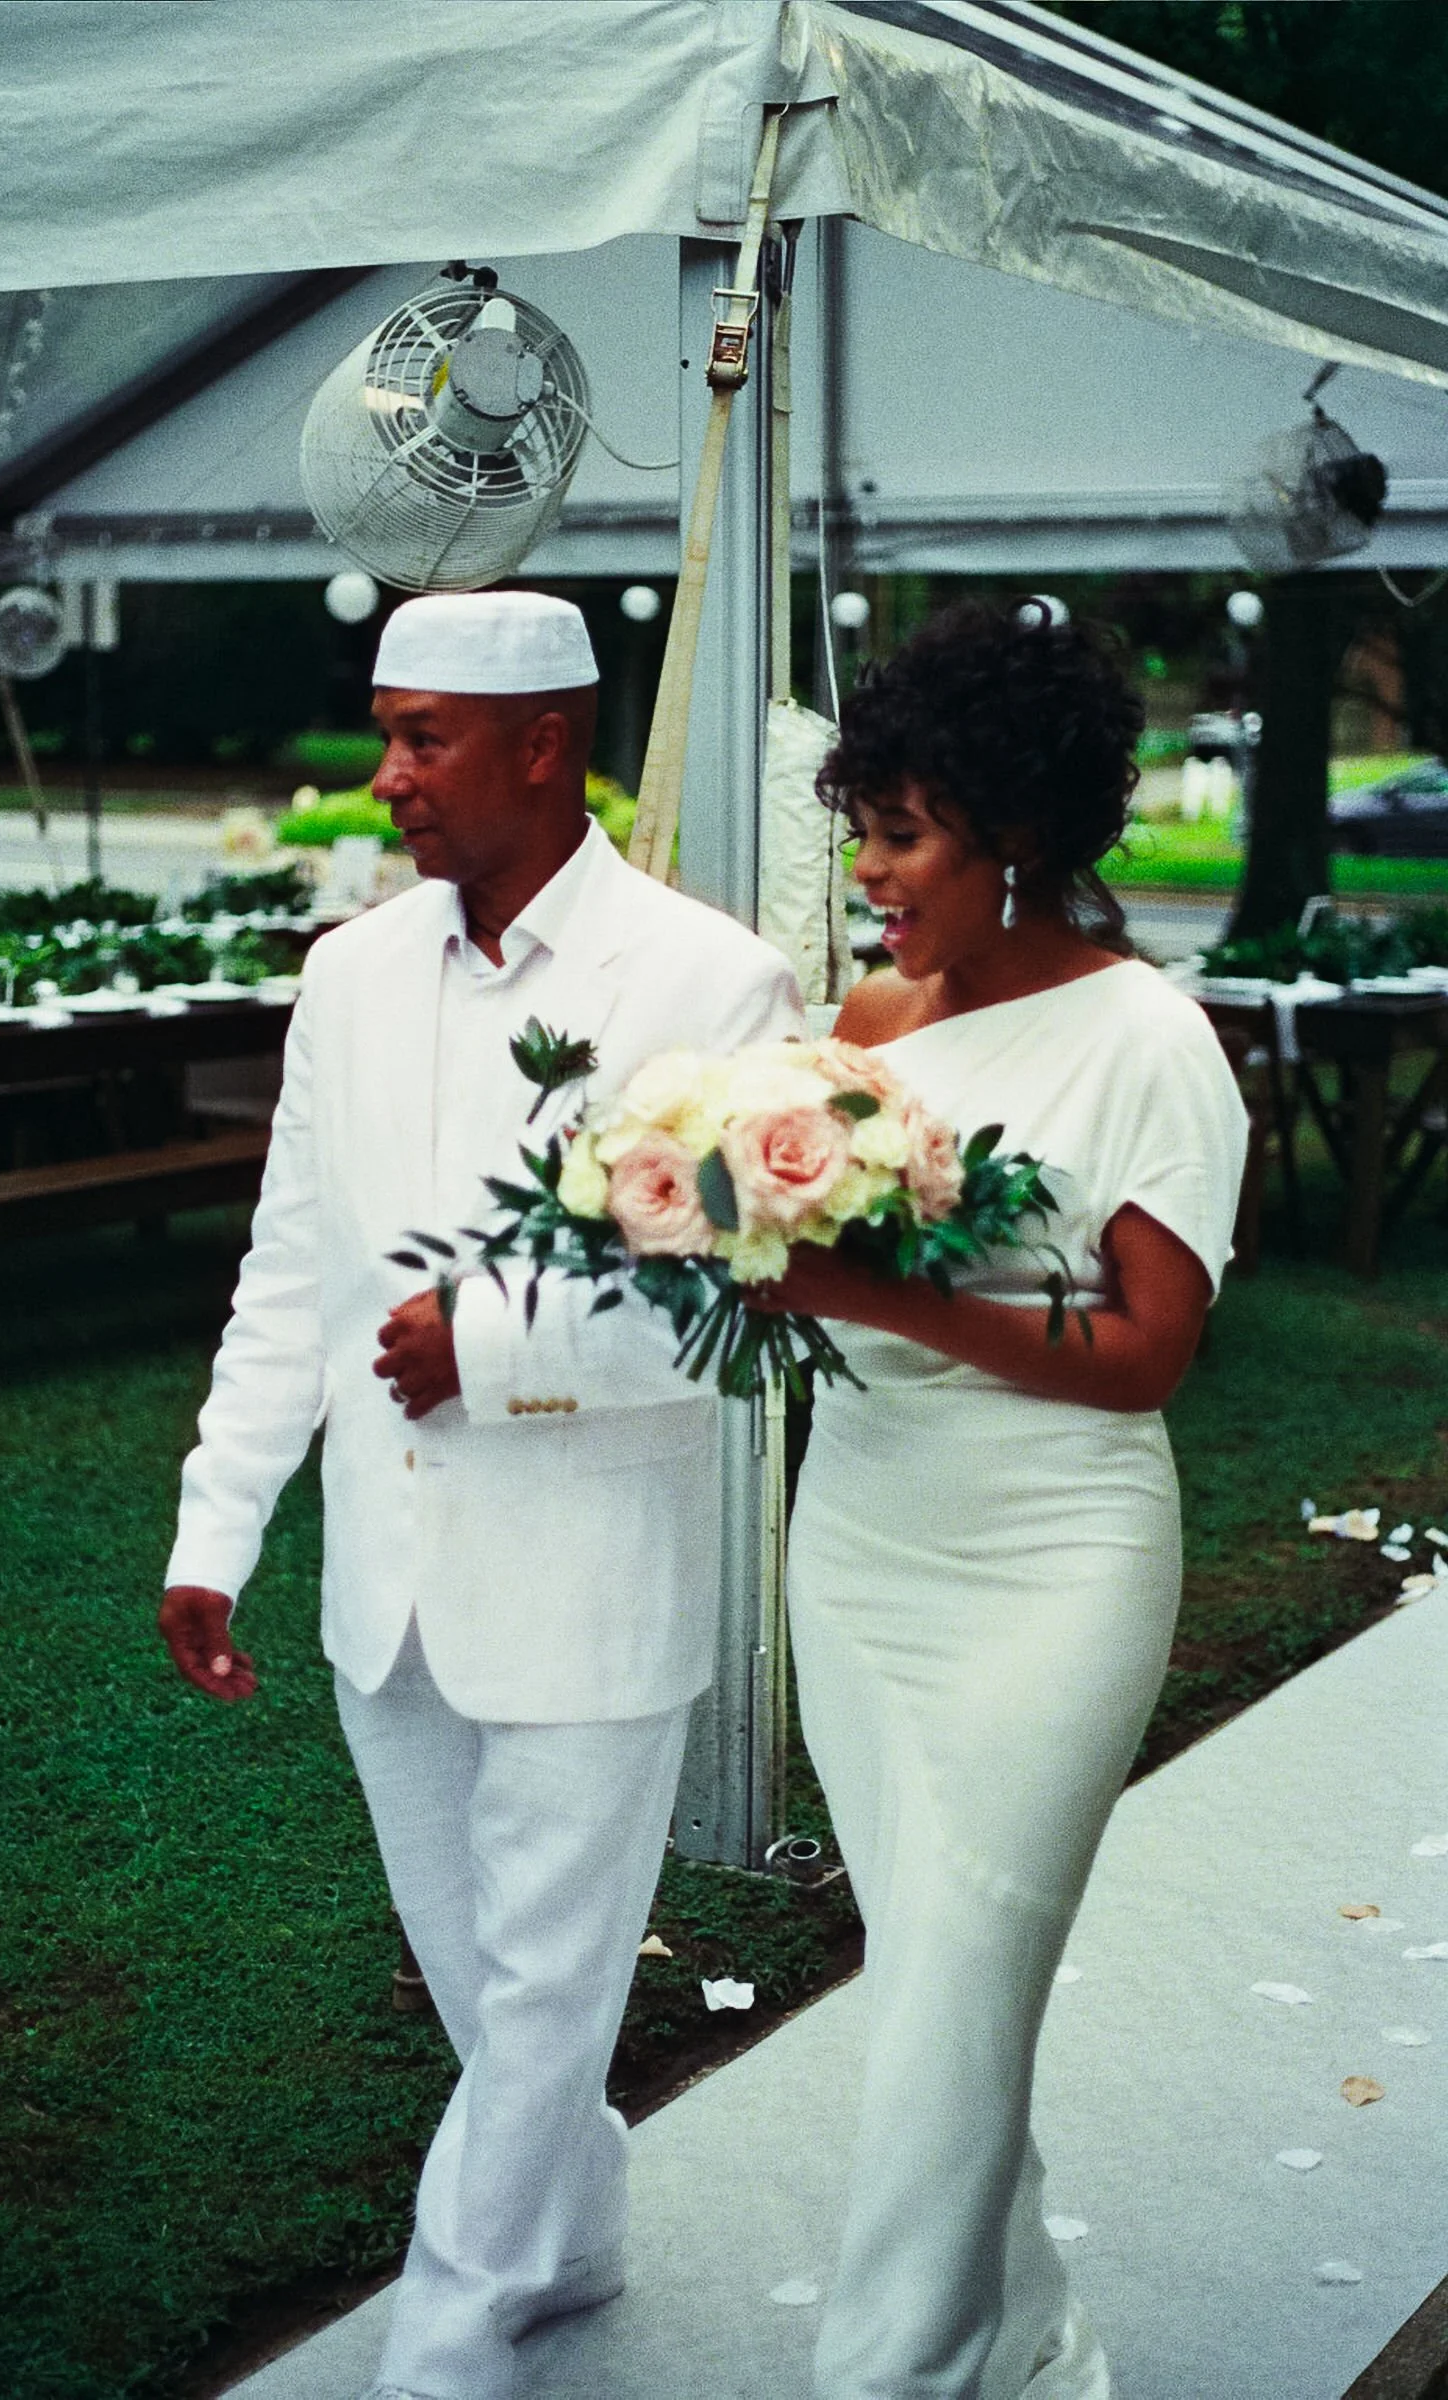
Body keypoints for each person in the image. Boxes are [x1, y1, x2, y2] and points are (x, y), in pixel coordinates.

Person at [158, 590, 802, 2400]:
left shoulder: (708, 981)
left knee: (538, 1998)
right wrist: (221, 1531)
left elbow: (729, 1298)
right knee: (490, 1992)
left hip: (594, 1578)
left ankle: (445, 2342)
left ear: (544, 744)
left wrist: (502, 1346)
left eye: (421, 737)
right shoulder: (348, 977)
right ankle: (575, 2226)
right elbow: (291, 1273)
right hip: (390, 1587)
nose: (387, 780)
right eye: (385, 732)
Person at [751, 600, 1248, 2400]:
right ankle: (1030, 2342)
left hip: (1055, 1566)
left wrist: (865, 1293)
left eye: (900, 836)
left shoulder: (1150, 1043)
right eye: (861, 832)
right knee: (941, 1995)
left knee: (956, 1987)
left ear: (1016, 835)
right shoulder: (867, 1025)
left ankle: (893, 2378)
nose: (869, 878)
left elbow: (1143, 1352)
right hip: (866, 1551)